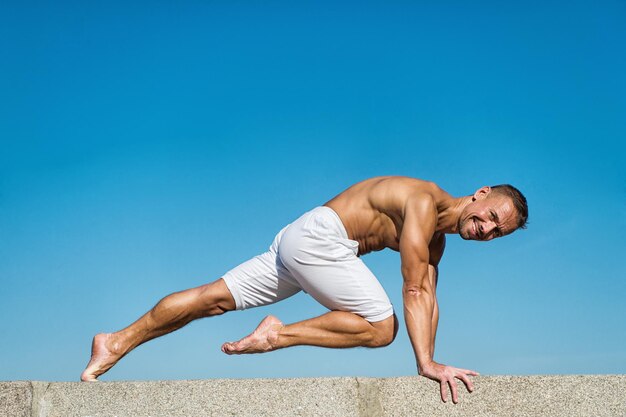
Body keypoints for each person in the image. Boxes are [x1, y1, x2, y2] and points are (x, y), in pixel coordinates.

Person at [81, 176, 528, 403]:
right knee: (380, 327)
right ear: (480, 193)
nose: (487, 229)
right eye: (491, 216)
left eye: (497, 233)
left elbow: (430, 298)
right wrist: (426, 364)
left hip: (306, 239)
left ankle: (114, 341)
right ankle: (277, 334)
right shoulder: (423, 203)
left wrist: (433, 358)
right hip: (322, 240)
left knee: (212, 299)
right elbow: (413, 291)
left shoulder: (437, 242)